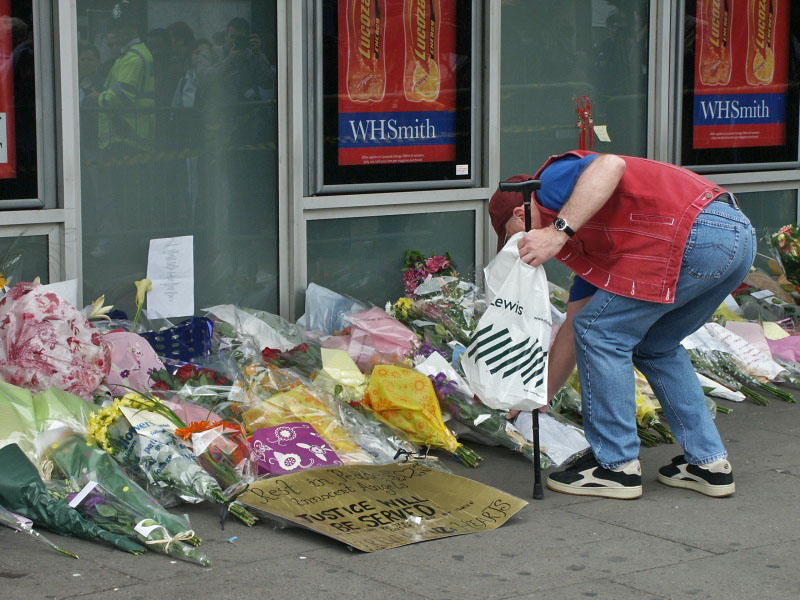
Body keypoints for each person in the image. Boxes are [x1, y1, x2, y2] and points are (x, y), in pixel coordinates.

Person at [489, 151, 756, 500]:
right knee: (654, 346)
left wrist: (555, 234)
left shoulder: (548, 186)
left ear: (520, 213)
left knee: (601, 332)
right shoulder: (584, 241)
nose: (522, 249)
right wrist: (539, 395)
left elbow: (611, 164)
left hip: (699, 233)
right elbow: (575, 323)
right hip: (734, 239)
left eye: (515, 238)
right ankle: (708, 463)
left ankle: (616, 466)